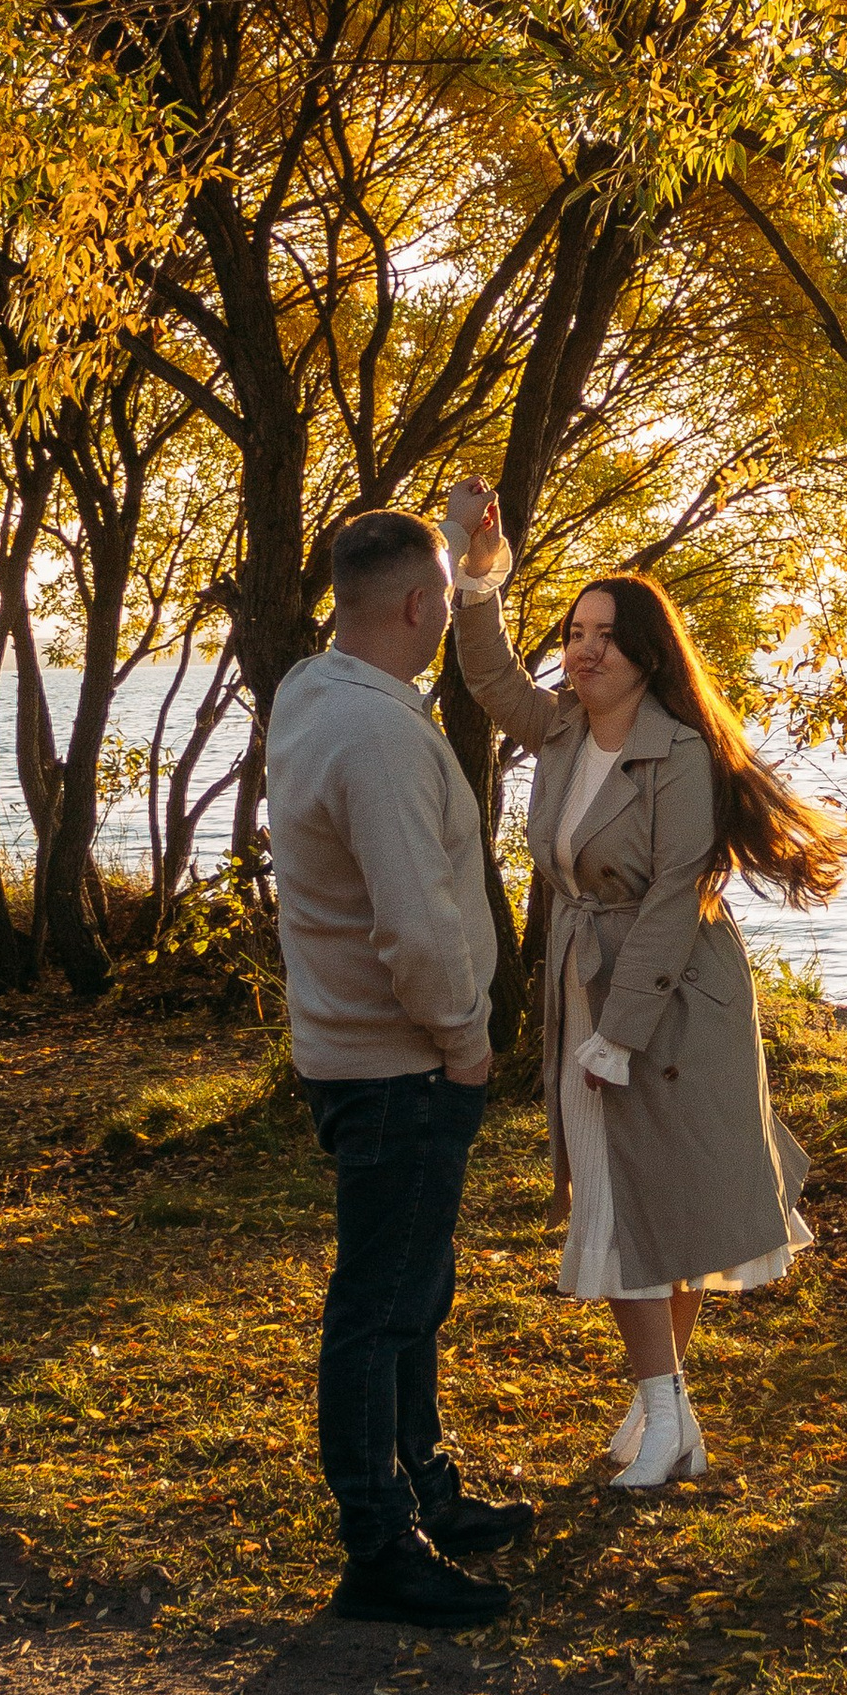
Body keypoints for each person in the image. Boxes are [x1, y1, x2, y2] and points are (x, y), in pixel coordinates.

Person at [442, 480, 847, 1488]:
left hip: (673, 999)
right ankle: (662, 1409)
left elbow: (677, 895)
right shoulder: (559, 730)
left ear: (646, 653)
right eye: (576, 632)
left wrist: (616, 1036)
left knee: (653, 1204)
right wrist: (476, 569)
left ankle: (665, 1411)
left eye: (605, 637)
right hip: (591, 984)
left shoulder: (681, 754)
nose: (584, 651)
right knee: (623, 1198)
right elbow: (489, 673)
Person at [264, 505, 534, 1626]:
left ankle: (429, 1494)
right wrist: (466, 1045)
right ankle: (379, 1549)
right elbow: (416, 929)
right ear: (422, 608)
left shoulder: (314, 687)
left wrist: (472, 560)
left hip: (358, 1058)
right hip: (397, 1068)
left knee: (414, 1295)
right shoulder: (375, 734)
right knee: (379, 1310)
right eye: (444, 596)